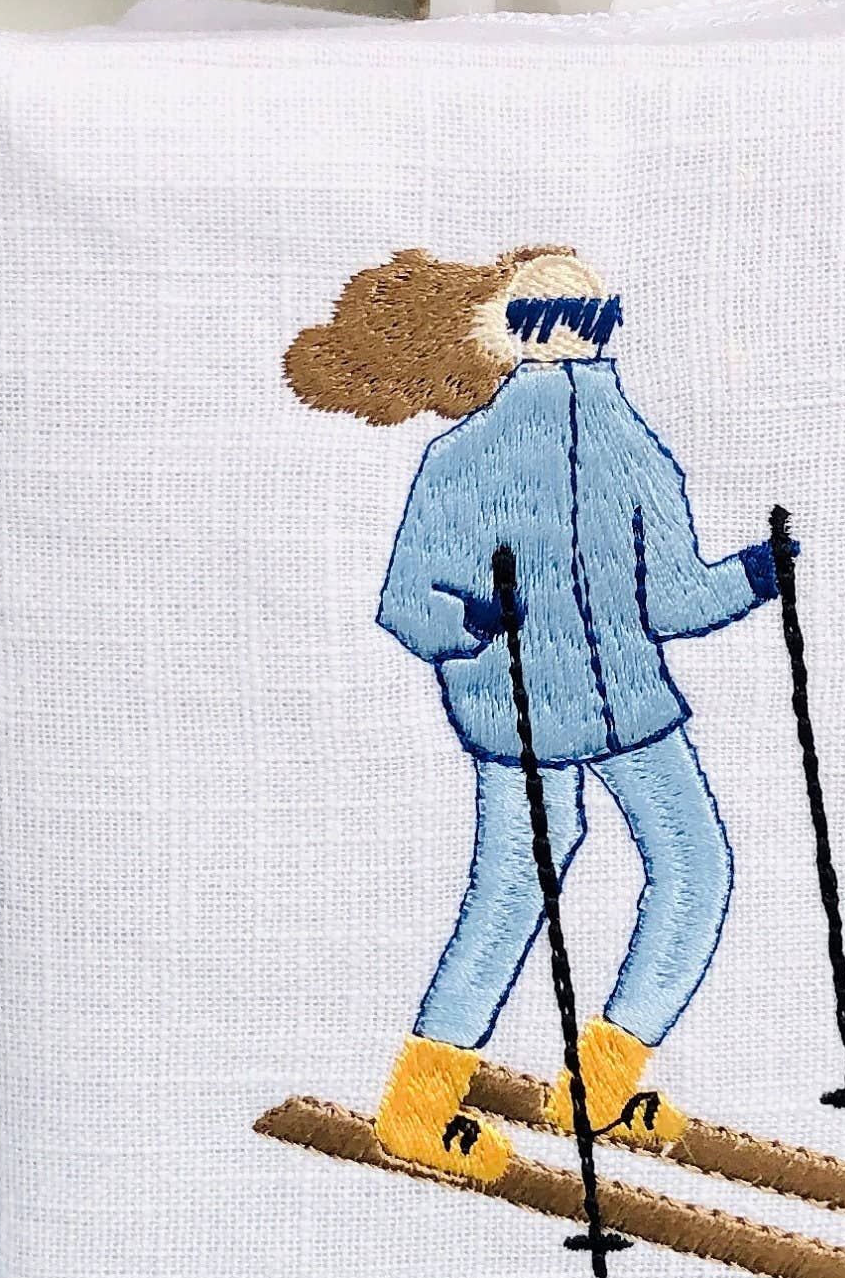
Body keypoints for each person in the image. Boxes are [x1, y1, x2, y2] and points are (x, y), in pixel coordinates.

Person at [284, 245, 783, 1182]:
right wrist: (475, 619)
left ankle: (593, 1084)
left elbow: (671, 600)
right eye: (563, 324)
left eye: (595, 322)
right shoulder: (480, 458)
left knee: (677, 866)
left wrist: (756, 575)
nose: (580, 343)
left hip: (618, 698)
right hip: (529, 706)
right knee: (550, 877)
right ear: (514, 334)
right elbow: (409, 603)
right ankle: (427, 1106)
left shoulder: (621, 452)